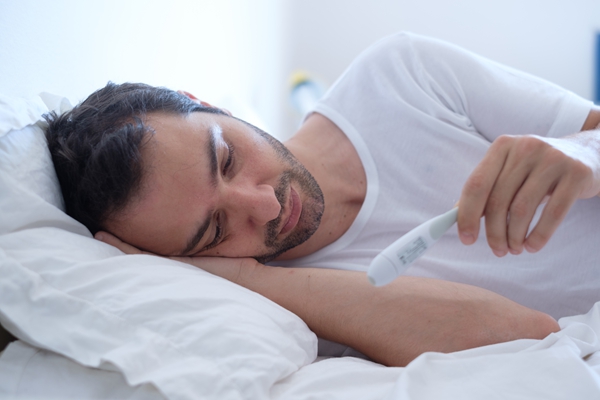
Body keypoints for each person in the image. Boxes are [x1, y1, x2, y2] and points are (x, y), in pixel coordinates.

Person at [45, 32, 600, 367]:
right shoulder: (286, 313)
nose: (264, 206)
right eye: (215, 230)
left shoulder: (402, 74)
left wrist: (584, 152)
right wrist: (249, 280)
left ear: (206, 103)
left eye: (228, 158)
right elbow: (529, 338)